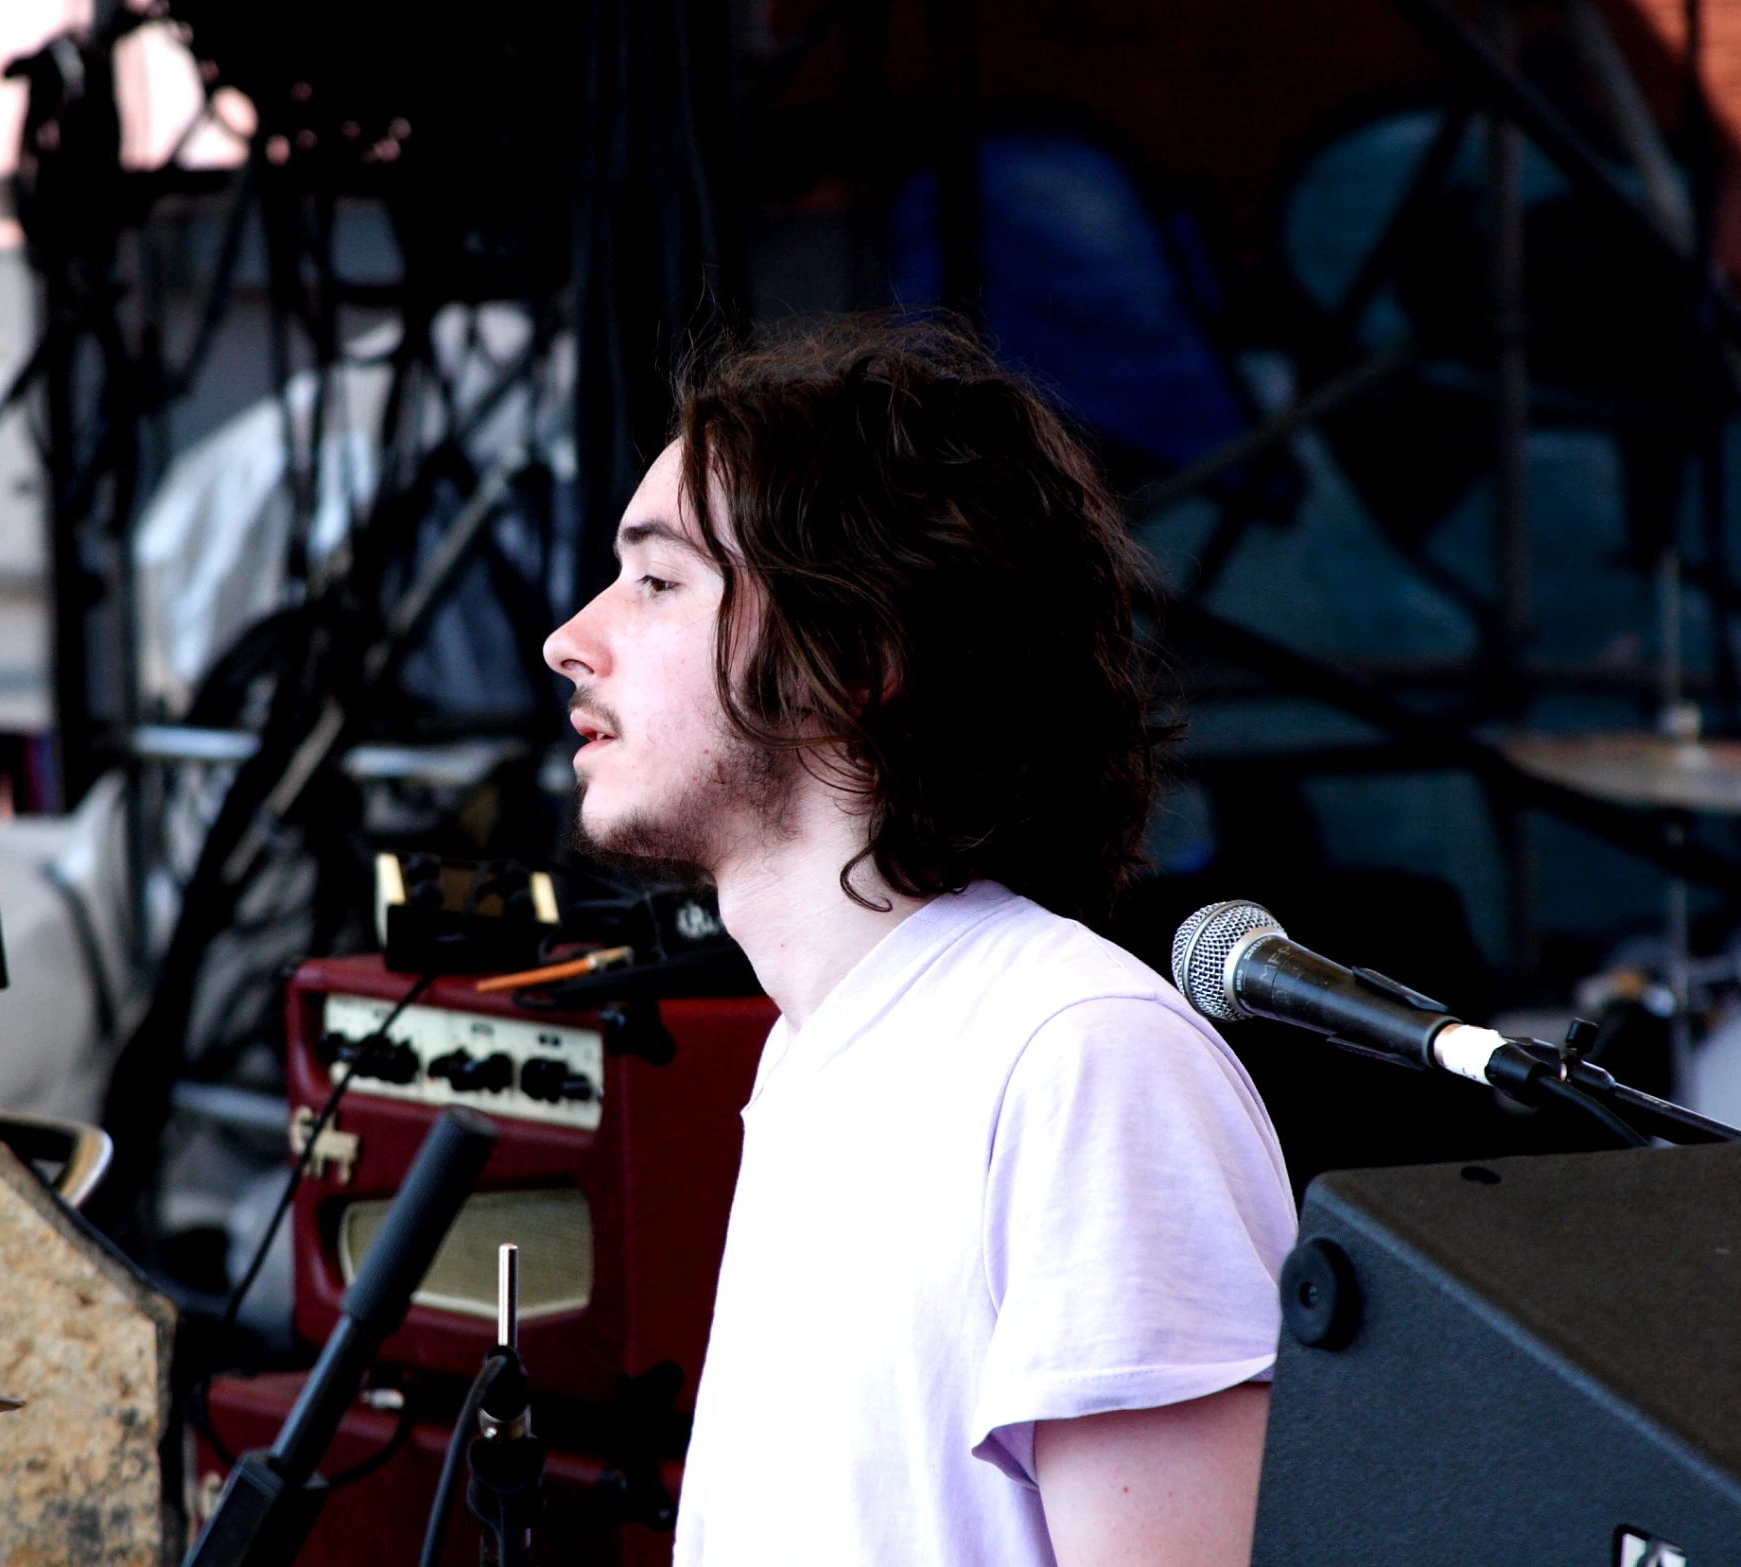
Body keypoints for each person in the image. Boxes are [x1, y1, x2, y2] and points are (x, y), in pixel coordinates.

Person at [541, 316, 1297, 1567]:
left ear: (854, 655)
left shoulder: (1079, 1061)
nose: (573, 636)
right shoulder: (820, 1048)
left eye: (658, 580)